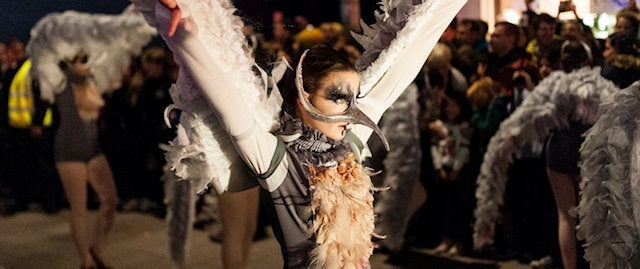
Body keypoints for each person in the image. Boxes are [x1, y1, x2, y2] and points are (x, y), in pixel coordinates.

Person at [133, 0, 466, 267]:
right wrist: (186, 30)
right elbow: (228, 98)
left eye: (354, 97)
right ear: (305, 97)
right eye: (338, 97)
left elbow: (403, 61)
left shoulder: (350, 142)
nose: (353, 110)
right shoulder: (279, 161)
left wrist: (443, 6)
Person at [472, 39, 619, 269]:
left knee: (565, 216)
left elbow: (526, 117)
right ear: (588, 60)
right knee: (592, 215)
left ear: (562, 61)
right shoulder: (602, 86)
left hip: (559, 150)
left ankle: (570, 266)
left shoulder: (554, 84)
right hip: (587, 151)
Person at [26, 10, 155, 269]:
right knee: (79, 208)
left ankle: (96, 249)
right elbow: (43, 50)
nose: (86, 60)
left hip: (93, 149)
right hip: (68, 151)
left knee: (110, 201)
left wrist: (127, 19)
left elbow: (110, 47)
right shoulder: (59, 82)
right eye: (80, 56)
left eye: (87, 56)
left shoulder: (93, 80)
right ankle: (86, 261)